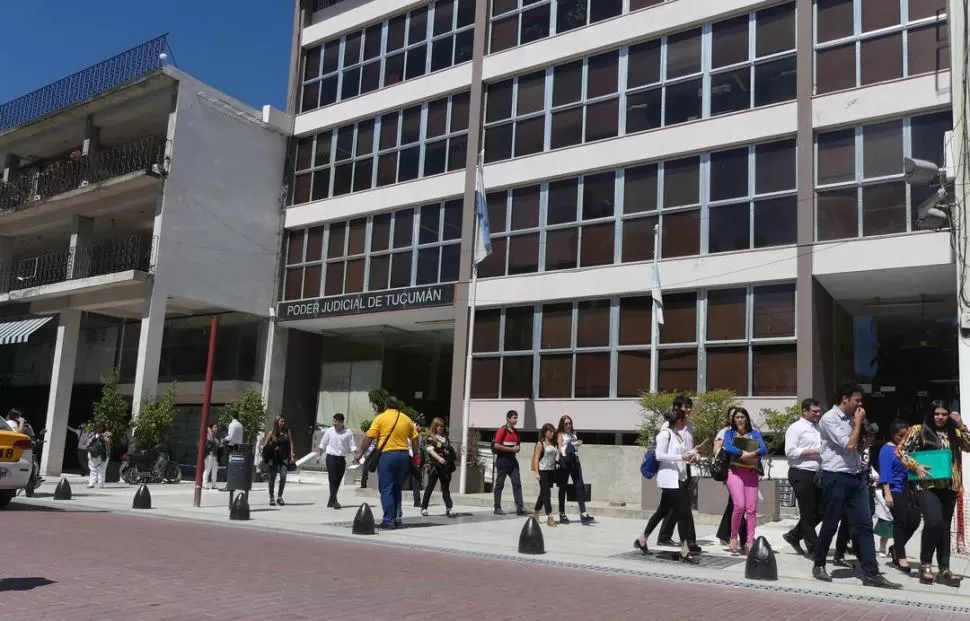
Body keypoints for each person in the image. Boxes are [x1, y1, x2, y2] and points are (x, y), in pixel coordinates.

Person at [811, 382, 900, 589]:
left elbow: (858, 448)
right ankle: (819, 563)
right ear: (845, 399)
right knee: (831, 523)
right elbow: (848, 445)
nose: (860, 404)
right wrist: (858, 423)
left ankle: (871, 572)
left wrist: (867, 439)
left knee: (865, 524)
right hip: (835, 476)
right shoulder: (829, 419)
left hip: (856, 476)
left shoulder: (854, 419)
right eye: (857, 400)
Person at [896, 400, 970, 586]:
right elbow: (901, 451)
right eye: (937, 413)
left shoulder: (955, 432)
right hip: (926, 485)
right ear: (931, 414)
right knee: (934, 522)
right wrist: (915, 465)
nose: (940, 417)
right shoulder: (918, 430)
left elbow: (969, 446)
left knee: (944, 527)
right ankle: (926, 564)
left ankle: (944, 568)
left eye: (944, 414)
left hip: (950, 485)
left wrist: (962, 425)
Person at [634, 407, 700, 563]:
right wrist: (682, 456)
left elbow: (681, 455)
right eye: (684, 420)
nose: (686, 423)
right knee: (683, 512)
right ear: (678, 421)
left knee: (662, 511)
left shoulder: (676, 435)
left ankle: (642, 539)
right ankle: (685, 550)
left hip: (678, 478)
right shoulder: (665, 434)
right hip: (670, 480)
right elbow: (659, 455)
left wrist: (693, 453)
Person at [353, 396, 419, 529]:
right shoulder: (406, 419)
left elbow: (369, 437)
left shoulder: (381, 418)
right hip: (404, 455)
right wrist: (416, 455)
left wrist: (360, 452)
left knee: (386, 488)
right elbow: (415, 438)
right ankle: (396, 517)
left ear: (385, 406)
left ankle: (388, 520)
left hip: (388, 455)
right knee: (397, 487)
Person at [720, 407, 767, 555]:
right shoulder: (729, 433)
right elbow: (728, 447)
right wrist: (743, 453)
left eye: (742, 417)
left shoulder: (755, 434)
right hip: (735, 472)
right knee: (739, 505)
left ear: (746, 418)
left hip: (751, 473)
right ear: (733, 420)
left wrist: (752, 453)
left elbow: (764, 449)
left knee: (751, 509)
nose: (739, 420)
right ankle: (733, 537)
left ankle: (749, 541)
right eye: (737, 417)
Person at [782, 398, 823, 557]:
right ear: (805, 411)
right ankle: (814, 548)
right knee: (807, 512)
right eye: (814, 412)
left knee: (822, 510)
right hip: (801, 472)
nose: (817, 414)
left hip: (818, 473)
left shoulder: (819, 427)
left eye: (819, 411)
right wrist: (815, 451)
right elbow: (790, 452)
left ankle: (794, 535)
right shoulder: (796, 428)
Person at [879, 420, 920, 575]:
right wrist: (887, 493)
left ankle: (896, 547)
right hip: (893, 488)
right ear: (893, 435)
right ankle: (901, 556)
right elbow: (885, 473)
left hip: (908, 488)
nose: (903, 438)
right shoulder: (886, 450)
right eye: (900, 435)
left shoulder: (907, 448)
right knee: (900, 521)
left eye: (906, 435)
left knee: (915, 519)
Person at [713, 407, 746, 549]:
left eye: (739, 416)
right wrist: (727, 447)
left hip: (746, 471)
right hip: (731, 471)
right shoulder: (724, 432)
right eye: (733, 416)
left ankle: (724, 534)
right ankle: (745, 539)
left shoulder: (747, 432)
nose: (737, 419)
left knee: (734, 504)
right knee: (740, 505)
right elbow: (716, 450)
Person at [556, 415, 594, 525]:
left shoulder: (574, 433)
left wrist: (577, 443)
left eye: (570, 423)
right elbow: (559, 447)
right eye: (566, 423)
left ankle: (583, 513)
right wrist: (558, 462)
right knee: (563, 487)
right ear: (562, 424)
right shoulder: (560, 434)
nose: (568, 425)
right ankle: (562, 513)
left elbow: (575, 446)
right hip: (565, 462)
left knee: (579, 485)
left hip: (575, 461)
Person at [318, 413, 357, 509]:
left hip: (341, 459)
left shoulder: (348, 432)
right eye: (333, 421)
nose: (333, 423)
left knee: (338, 480)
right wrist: (319, 456)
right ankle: (334, 501)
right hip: (331, 457)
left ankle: (331, 500)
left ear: (341, 422)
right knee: (333, 479)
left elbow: (352, 446)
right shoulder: (329, 431)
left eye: (335, 421)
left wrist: (355, 457)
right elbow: (323, 443)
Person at [492, 410, 526, 516]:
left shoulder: (516, 432)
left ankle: (520, 507)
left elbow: (518, 445)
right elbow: (496, 445)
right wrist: (511, 449)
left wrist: (517, 448)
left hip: (513, 461)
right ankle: (497, 507)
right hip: (502, 460)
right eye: (514, 417)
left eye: (516, 417)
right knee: (499, 484)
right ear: (508, 418)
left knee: (517, 483)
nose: (516, 420)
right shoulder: (502, 430)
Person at [421, 417, 456, 517]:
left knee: (445, 488)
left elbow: (449, 451)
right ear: (435, 426)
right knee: (430, 487)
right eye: (439, 426)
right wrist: (439, 458)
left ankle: (449, 508)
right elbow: (430, 450)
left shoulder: (445, 438)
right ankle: (424, 507)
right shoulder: (431, 438)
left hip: (445, 467)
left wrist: (449, 453)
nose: (441, 428)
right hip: (435, 467)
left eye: (442, 426)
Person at [262, 417, 295, 507]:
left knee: (283, 476)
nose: (283, 423)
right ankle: (271, 497)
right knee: (272, 477)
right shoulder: (272, 433)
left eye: (284, 421)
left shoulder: (287, 431)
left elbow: (291, 443)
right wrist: (272, 449)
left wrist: (292, 455)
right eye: (281, 421)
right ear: (277, 422)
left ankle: (279, 496)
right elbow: (265, 446)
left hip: (284, 458)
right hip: (274, 458)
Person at [531, 423, 558, 527]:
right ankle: (550, 517)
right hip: (542, 471)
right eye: (550, 431)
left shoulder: (553, 443)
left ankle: (536, 513)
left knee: (543, 493)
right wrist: (537, 473)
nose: (552, 433)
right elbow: (536, 459)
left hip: (551, 471)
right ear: (545, 432)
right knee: (547, 493)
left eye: (553, 431)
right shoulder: (540, 444)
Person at [83, 422, 111, 489]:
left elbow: (109, 441)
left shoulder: (107, 433)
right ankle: (92, 483)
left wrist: (102, 438)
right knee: (93, 469)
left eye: (100, 427)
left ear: (103, 427)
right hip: (93, 454)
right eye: (97, 427)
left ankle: (100, 484)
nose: (98, 429)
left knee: (101, 469)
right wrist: (88, 444)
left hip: (103, 454)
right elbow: (87, 443)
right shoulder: (93, 434)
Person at [202, 424, 220, 490]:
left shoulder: (216, 437)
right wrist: (209, 432)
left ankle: (214, 485)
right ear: (211, 428)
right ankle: (204, 484)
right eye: (215, 427)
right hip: (209, 455)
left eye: (217, 427)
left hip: (215, 456)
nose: (216, 428)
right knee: (207, 470)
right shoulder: (208, 435)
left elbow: (218, 445)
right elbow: (210, 440)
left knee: (215, 471)